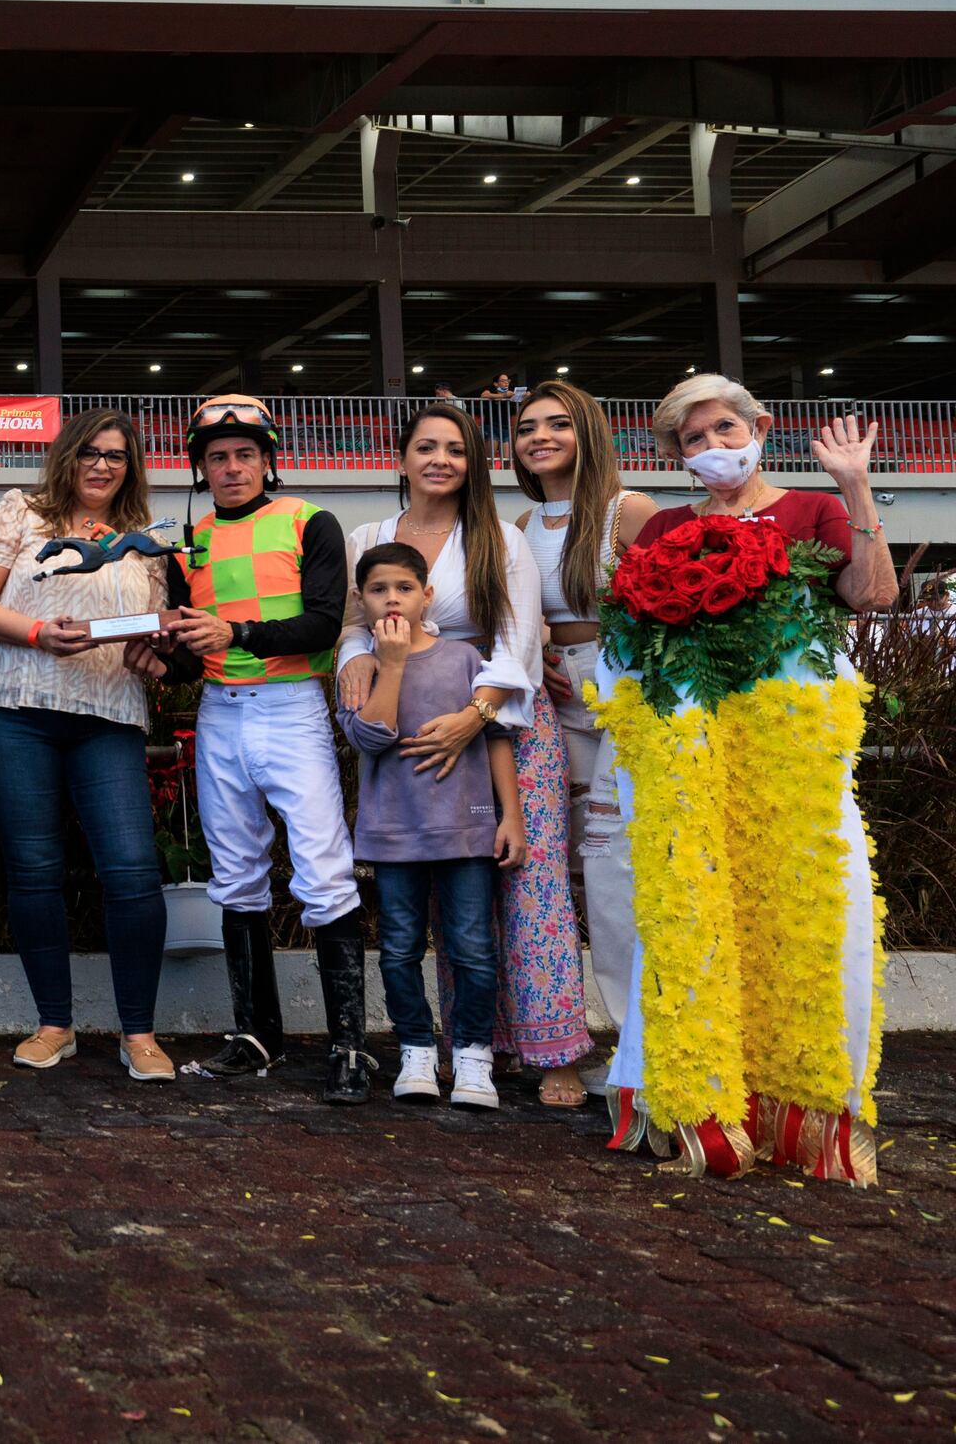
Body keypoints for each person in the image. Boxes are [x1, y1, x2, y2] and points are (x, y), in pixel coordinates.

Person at [596, 376, 891, 1182]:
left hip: (788, 757)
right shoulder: (661, 527)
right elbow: (631, 638)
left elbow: (873, 593)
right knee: (692, 904)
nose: (711, 448)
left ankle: (797, 1103)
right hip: (691, 755)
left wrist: (855, 484)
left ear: (759, 425)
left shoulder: (809, 511)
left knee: (800, 903)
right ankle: (702, 1100)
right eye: (692, 440)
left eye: (724, 428)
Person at [336, 402, 591, 1106]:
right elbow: (358, 627)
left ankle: (552, 1051)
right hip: (407, 729)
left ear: (473, 462)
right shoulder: (370, 537)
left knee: (527, 889)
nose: (440, 459)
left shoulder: (495, 537)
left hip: (500, 722)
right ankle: (469, 1047)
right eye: (426, 446)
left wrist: (474, 717)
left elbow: (518, 641)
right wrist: (355, 662)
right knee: (450, 908)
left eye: (455, 448)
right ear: (402, 456)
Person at [131, 394, 370, 1103]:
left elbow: (325, 624)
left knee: (324, 871)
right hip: (220, 713)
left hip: (292, 708)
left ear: (268, 459)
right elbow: (189, 653)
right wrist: (158, 660)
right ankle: (255, 1033)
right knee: (234, 873)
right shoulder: (188, 542)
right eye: (217, 457)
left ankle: (351, 1044)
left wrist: (234, 634)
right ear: (200, 467)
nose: (231, 467)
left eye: (244, 455)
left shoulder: (309, 522)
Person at [0, 408, 175, 1080]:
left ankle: (140, 1032)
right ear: (67, 456)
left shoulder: (142, 540)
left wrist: (152, 652)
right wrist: (37, 632)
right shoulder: (21, 512)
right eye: (90, 452)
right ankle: (54, 1023)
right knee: (34, 869)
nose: (103, 464)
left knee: (133, 870)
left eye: (117, 454)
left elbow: (152, 627)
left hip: (109, 714)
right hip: (15, 710)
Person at [339, 542, 524, 1111]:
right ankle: (416, 1050)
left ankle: (472, 1056)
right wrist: (391, 663)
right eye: (377, 590)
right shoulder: (360, 668)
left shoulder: (466, 659)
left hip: (465, 830)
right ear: (361, 601)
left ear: (427, 594)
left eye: (403, 588)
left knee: (472, 947)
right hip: (395, 833)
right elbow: (371, 737)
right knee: (397, 948)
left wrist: (509, 816)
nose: (392, 599)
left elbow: (495, 737)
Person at [509, 381, 655, 1071]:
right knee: (562, 869)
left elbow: (669, 608)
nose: (540, 436)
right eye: (527, 427)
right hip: (551, 694)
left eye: (557, 424)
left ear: (587, 431)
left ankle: (640, 1037)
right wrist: (536, 650)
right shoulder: (517, 526)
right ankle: (574, 1031)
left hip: (626, 691)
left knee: (616, 866)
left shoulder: (627, 510)